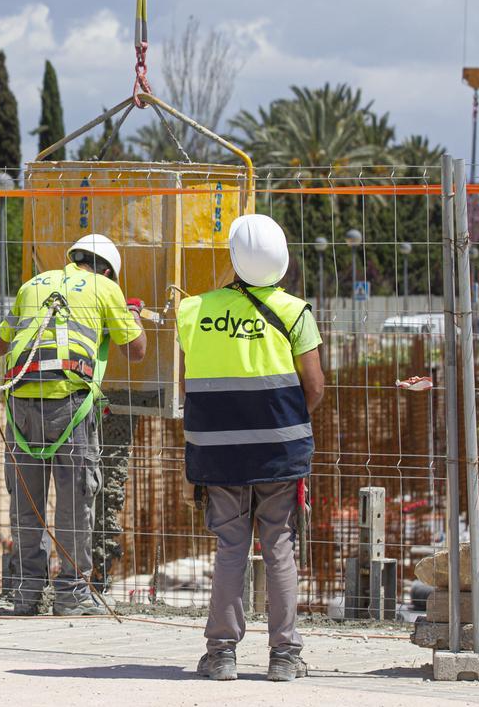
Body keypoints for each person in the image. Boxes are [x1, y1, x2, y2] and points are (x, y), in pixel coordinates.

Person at [175, 214, 326, 682]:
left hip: (218, 452)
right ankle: (284, 656)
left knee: (229, 548)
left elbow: (187, 383)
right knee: (279, 546)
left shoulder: (192, 311)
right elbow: (315, 387)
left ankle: (221, 654)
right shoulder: (296, 312)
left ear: (234, 260)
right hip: (279, 451)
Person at [0, 233, 147, 615]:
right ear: (108, 270)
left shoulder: (33, 284)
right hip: (69, 406)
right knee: (76, 500)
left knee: (27, 502)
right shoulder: (104, 288)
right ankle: (72, 595)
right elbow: (137, 351)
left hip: (20, 404)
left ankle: (27, 593)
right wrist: (132, 316)